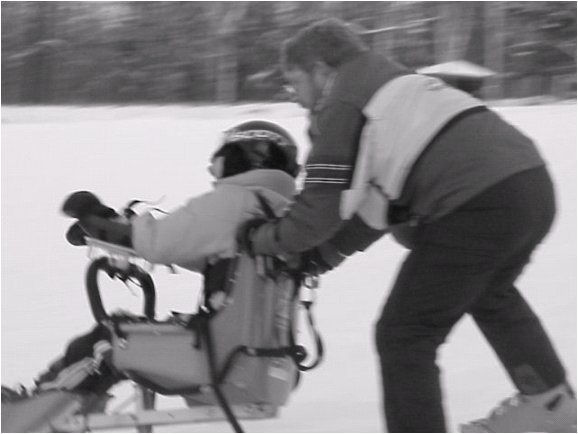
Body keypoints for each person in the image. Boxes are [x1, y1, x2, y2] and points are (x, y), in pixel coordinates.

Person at [244, 18, 576, 433]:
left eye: (294, 82)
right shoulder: (395, 84)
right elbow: (376, 205)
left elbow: (318, 210)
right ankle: (551, 403)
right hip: (529, 185)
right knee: (491, 294)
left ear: (321, 69)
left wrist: (264, 240)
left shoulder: (343, 101)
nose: (295, 98)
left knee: (404, 334)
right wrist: (319, 258)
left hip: (475, 203)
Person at [2, 120, 301, 429]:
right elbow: (199, 249)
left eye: (220, 157)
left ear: (244, 157)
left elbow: (160, 240)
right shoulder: (280, 216)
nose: (213, 169)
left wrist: (97, 221)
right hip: (262, 368)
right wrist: (114, 231)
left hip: (222, 361)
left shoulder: (235, 201)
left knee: (106, 342)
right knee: (120, 336)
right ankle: (60, 413)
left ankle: (23, 419)